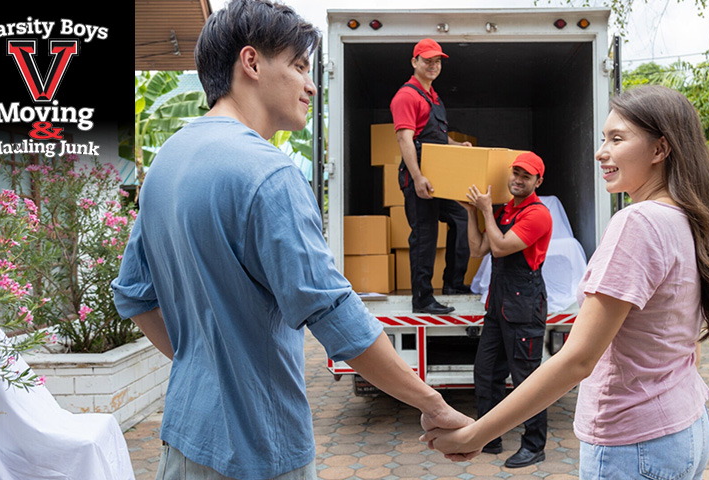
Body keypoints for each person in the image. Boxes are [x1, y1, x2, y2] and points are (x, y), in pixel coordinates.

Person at [110, 2, 472, 479]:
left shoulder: (166, 164)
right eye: (299, 66)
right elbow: (334, 315)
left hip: (183, 438)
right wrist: (431, 402)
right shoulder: (269, 174)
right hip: (258, 446)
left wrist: (210, 363)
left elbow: (134, 296)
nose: (311, 84)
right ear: (252, 63)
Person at [421, 85, 709, 480]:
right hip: (682, 425)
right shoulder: (686, 218)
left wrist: (476, 435)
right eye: (603, 138)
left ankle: (529, 444)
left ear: (660, 150)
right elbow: (686, 342)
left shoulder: (636, 223)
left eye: (617, 139)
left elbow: (578, 360)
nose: (601, 151)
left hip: (634, 443)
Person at [462, 152, 553, 468]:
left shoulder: (538, 214)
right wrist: (472, 214)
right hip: (500, 303)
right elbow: (478, 249)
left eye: (525, 176)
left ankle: (534, 444)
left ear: (537, 181)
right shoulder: (505, 211)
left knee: (526, 379)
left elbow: (500, 247)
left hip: (524, 305)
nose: (517, 179)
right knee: (486, 372)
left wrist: (486, 211)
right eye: (515, 173)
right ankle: (489, 436)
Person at [390, 38, 473, 314]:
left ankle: (453, 283)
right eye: (427, 60)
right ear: (415, 62)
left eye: (437, 61)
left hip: (440, 178)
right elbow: (405, 140)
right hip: (420, 179)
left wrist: (456, 146)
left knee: (462, 218)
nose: (433, 65)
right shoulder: (406, 96)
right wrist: (417, 177)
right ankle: (423, 299)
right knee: (425, 236)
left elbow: (435, 136)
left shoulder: (433, 97)